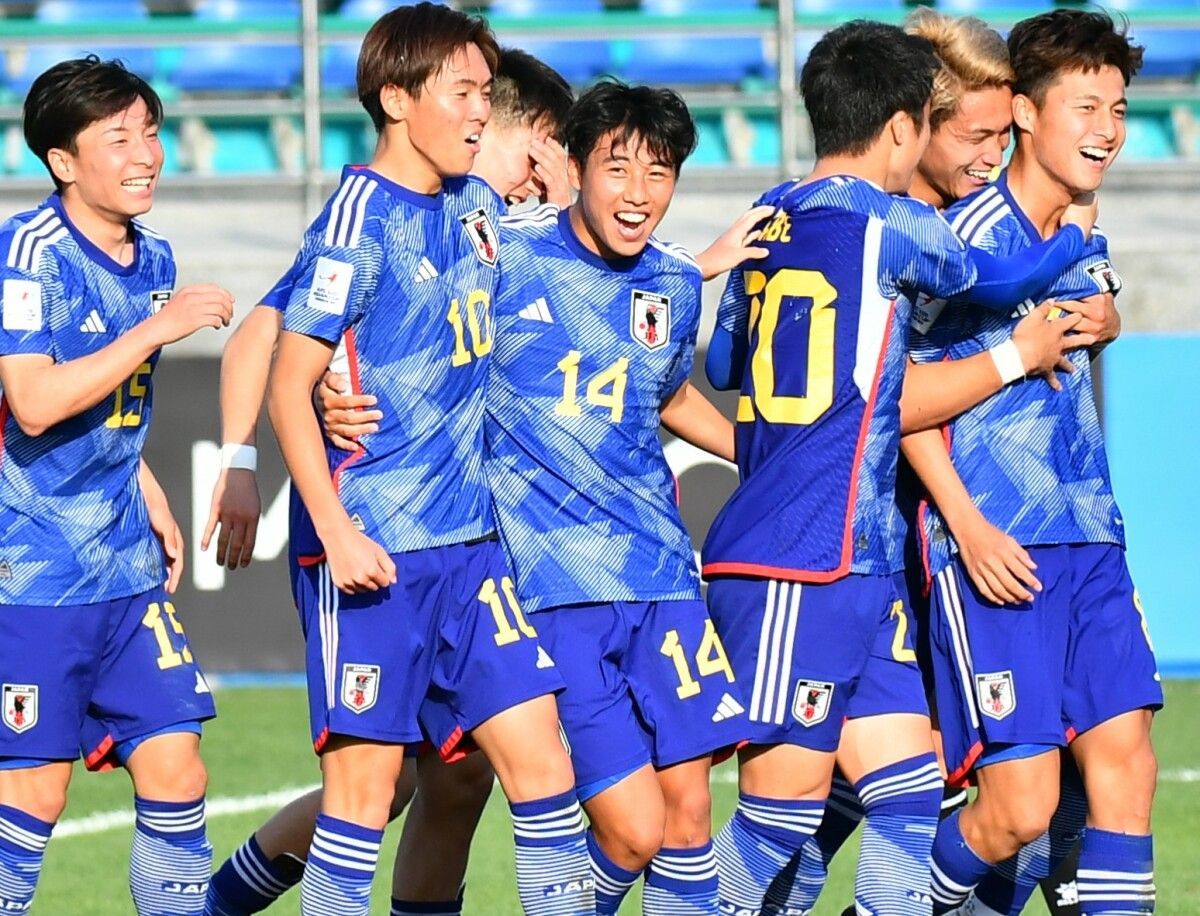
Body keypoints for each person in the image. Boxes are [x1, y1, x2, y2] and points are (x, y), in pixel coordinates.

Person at [700, 19, 1096, 916]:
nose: (987, 153)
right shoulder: (896, 223)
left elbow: (723, 366)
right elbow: (998, 284)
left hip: (859, 557)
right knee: (777, 820)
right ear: (902, 128)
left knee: (911, 794)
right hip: (796, 555)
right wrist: (1073, 244)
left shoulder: (773, 206)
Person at [202, 40, 578, 916]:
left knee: (523, 769)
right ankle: (215, 904)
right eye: (534, 152)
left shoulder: (478, 208)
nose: (536, 176)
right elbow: (267, 343)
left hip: (470, 548)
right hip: (375, 544)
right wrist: (247, 463)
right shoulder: (359, 221)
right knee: (372, 795)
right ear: (405, 101)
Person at [902, 11, 1161, 916]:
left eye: (1118, 109)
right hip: (997, 547)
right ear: (1023, 110)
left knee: (1127, 768)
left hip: (1092, 535)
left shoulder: (1083, 230)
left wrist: (1107, 317)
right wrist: (965, 528)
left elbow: (1083, 317)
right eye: (1085, 106)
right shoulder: (960, 240)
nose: (1108, 129)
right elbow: (895, 399)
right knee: (1020, 811)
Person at [482, 79, 749, 916]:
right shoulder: (505, 257)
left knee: (691, 814)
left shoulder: (675, 281)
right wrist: (333, 390)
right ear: (575, 166)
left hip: (662, 572)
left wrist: (759, 456)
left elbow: (665, 394)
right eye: (619, 168)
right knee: (633, 831)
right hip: (553, 584)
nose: (639, 194)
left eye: (659, 173)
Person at [0, 57, 234, 915]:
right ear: (63, 161)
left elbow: (109, 401)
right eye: (119, 138)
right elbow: (32, 402)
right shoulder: (27, 254)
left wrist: (147, 485)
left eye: (152, 132)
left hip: (124, 564)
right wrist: (159, 328)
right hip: (31, 570)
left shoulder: (154, 254)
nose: (146, 154)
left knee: (177, 766)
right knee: (34, 791)